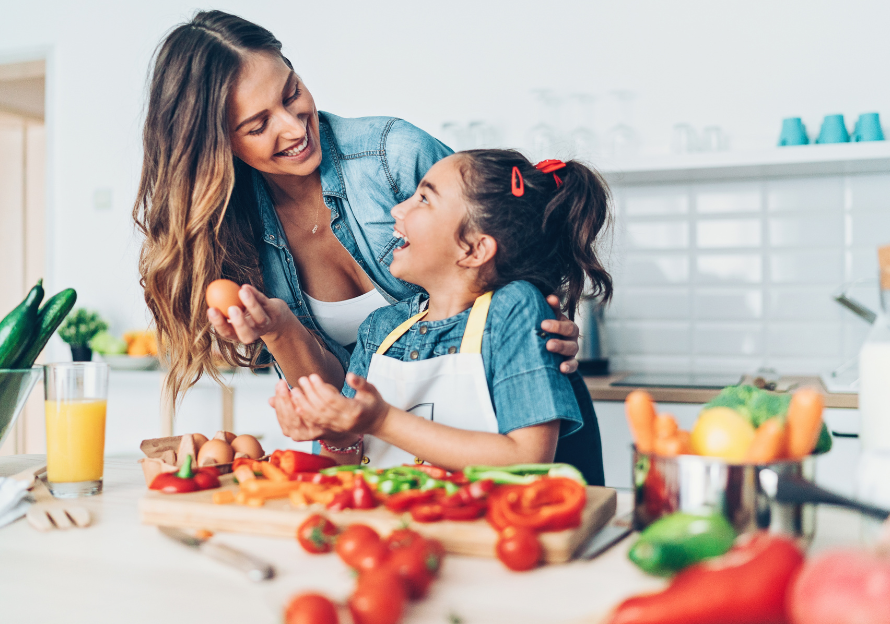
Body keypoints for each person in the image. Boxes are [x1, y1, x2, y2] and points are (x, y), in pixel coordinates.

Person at [133, 11, 601, 482]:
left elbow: (502, 240)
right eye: (258, 126)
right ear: (216, 145)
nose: (294, 129)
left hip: (529, 442)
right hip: (407, 478)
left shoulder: (393, 154)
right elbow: (348, 415)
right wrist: (280, 332)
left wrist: (540, 323)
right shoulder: (234, 234)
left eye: (292, 93)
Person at [271, 150, 612, 474]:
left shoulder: (512, 309)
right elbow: (344, 467)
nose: (397, 210)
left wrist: (382, 421)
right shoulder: (381, 329)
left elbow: (528, 458)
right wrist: (335, 435)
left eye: (424, 199)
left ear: (474, 249)